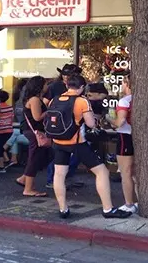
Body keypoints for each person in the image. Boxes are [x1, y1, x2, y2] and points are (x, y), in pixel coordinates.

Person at [50, 74, 130, 219]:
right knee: (102, 172)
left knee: (59, 175)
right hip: (77, 142)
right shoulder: (81, 101)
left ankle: (63, 209)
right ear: (81, 87)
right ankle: (107, 209)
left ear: (67, 86)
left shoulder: (54, 100)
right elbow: (90, 124)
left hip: (58, 142)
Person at [15, 76, 50, 197]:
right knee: (34, 158)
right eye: (45, 84)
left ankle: (24, 179)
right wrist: (49, 111)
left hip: (33, 131)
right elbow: (37, 117)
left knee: (36, 156)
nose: (47, 86)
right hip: (34, 131)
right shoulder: (35, 99)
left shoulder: (35, 98)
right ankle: (28, 188)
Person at [113, 77, 139, 214]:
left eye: (122, 83)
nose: (121, 86)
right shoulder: (142, 99)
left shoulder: (124, 101)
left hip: (125, 136)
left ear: (127, 84)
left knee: (126, 172)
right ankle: (140, 201)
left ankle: (129, 204)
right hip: (139, 137)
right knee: (136, 173)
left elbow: (120, 121)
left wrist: (110, 119)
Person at [0, 90, 14, 171]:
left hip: (0, 130)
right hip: (9, 130)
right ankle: (6, 160)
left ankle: (1, 166)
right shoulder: (10, 107)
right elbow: (12, 118)